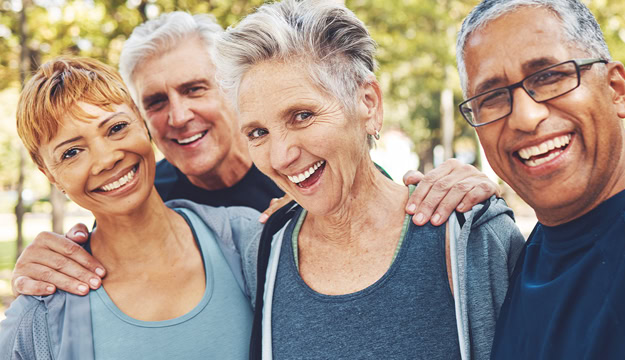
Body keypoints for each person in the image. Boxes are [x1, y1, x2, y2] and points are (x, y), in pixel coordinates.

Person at [10, 11, 502, 298]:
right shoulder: (146, 196)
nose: (178, 116)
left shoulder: (315, 167)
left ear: (230, 91)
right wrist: (45, 259)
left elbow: (394, 208)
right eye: (155, 102)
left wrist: (461, 184)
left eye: (195, 88)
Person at [212, 1, 524, 358]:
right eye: (258, 132)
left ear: (368, 103)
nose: (281, 156)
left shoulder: (472, 236)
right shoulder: (266, 250)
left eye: (302, 115)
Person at [0, 57, 261, 359]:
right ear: (50, 175)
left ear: (142, 123)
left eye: (116, 128)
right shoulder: (41, 314)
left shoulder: (247, 240)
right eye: (72, 152)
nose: (106, 159)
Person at [455, 0, 625, 358]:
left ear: (616, 89)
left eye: (550, 76)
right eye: (492, 97)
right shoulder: (518, 254)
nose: (525, 116)